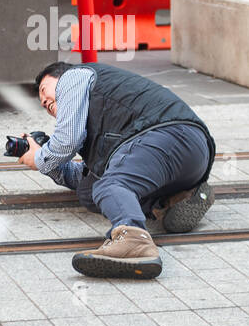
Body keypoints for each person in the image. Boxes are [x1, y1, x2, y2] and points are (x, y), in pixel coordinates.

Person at [18, 61, 216, 280]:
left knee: (111, 186)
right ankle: (176, 199)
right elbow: (83, 176)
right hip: (192, 157)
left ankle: (133, 241)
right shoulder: (103, 121)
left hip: (167, 135)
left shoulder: (74, 76)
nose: (45, 101)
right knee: (91, 191)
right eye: (43, 103)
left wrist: (39, 157)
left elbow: (66, 141)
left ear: (61, 78)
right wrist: (50, 166)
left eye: (45, 91)